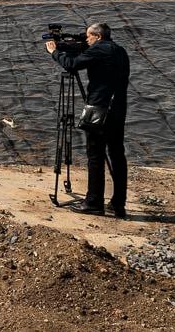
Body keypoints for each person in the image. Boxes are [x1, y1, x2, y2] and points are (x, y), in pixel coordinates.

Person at [45, 23, 130, 217]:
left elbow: (72, 65)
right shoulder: (120, 51)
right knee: (117, 154)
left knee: (95, 155)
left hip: (99, 108)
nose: (87, 41)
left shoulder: (99, 49)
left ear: (98, 37)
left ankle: (93, 202)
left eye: (89, 38)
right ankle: (118, 203)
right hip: (118, 109)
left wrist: (55, 52)